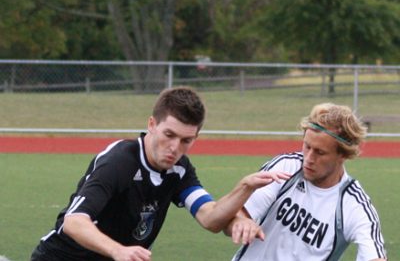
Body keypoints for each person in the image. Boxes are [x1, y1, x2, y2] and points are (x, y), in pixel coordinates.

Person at [31, 86, 289, 261]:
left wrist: (244, 188)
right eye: (169, 135)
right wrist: (117, 251)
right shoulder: (120, 161)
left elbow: (210, 218)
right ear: (151, 124)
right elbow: (74, 221)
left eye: (187, 140)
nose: (175, 148)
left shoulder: (179, 169)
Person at [227, 103, 387, 261]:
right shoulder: (286, 166)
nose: (308, 159)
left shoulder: (354, 205)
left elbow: (375, 255)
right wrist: (240, 221)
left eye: (320, 152)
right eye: (307, 146)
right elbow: (236, 216)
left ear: (342, 155)